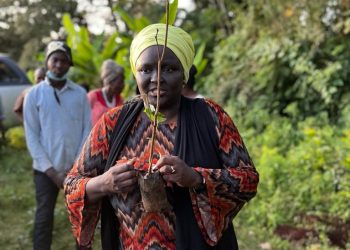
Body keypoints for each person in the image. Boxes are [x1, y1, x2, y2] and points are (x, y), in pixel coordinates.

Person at [65, 24, 259, 250]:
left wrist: (196, 178)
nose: (157, 78)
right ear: (135, 73)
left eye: (169, 69)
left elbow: (248, 180)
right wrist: (104, 183)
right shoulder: (113, 123)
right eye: (146, 70)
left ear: (184, 73)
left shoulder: (211, 117)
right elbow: (72, 184)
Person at [23, 41, 91, 250]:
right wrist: (52, 172)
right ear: (47, 62)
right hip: (45, 171)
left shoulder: (79, 94)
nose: (59, 64)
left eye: (64, 60)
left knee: (80, 216)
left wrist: (76, 168)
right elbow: (32, 136)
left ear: (69, 64)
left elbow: (86, 132)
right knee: (44, 217)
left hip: (75, 170)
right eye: (55, 59)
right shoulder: (34, 94)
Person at [87, 59, 124, 126]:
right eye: (120, 82)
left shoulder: (120, 99)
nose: (123, 85)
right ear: (110, 81)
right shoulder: (93, 97)